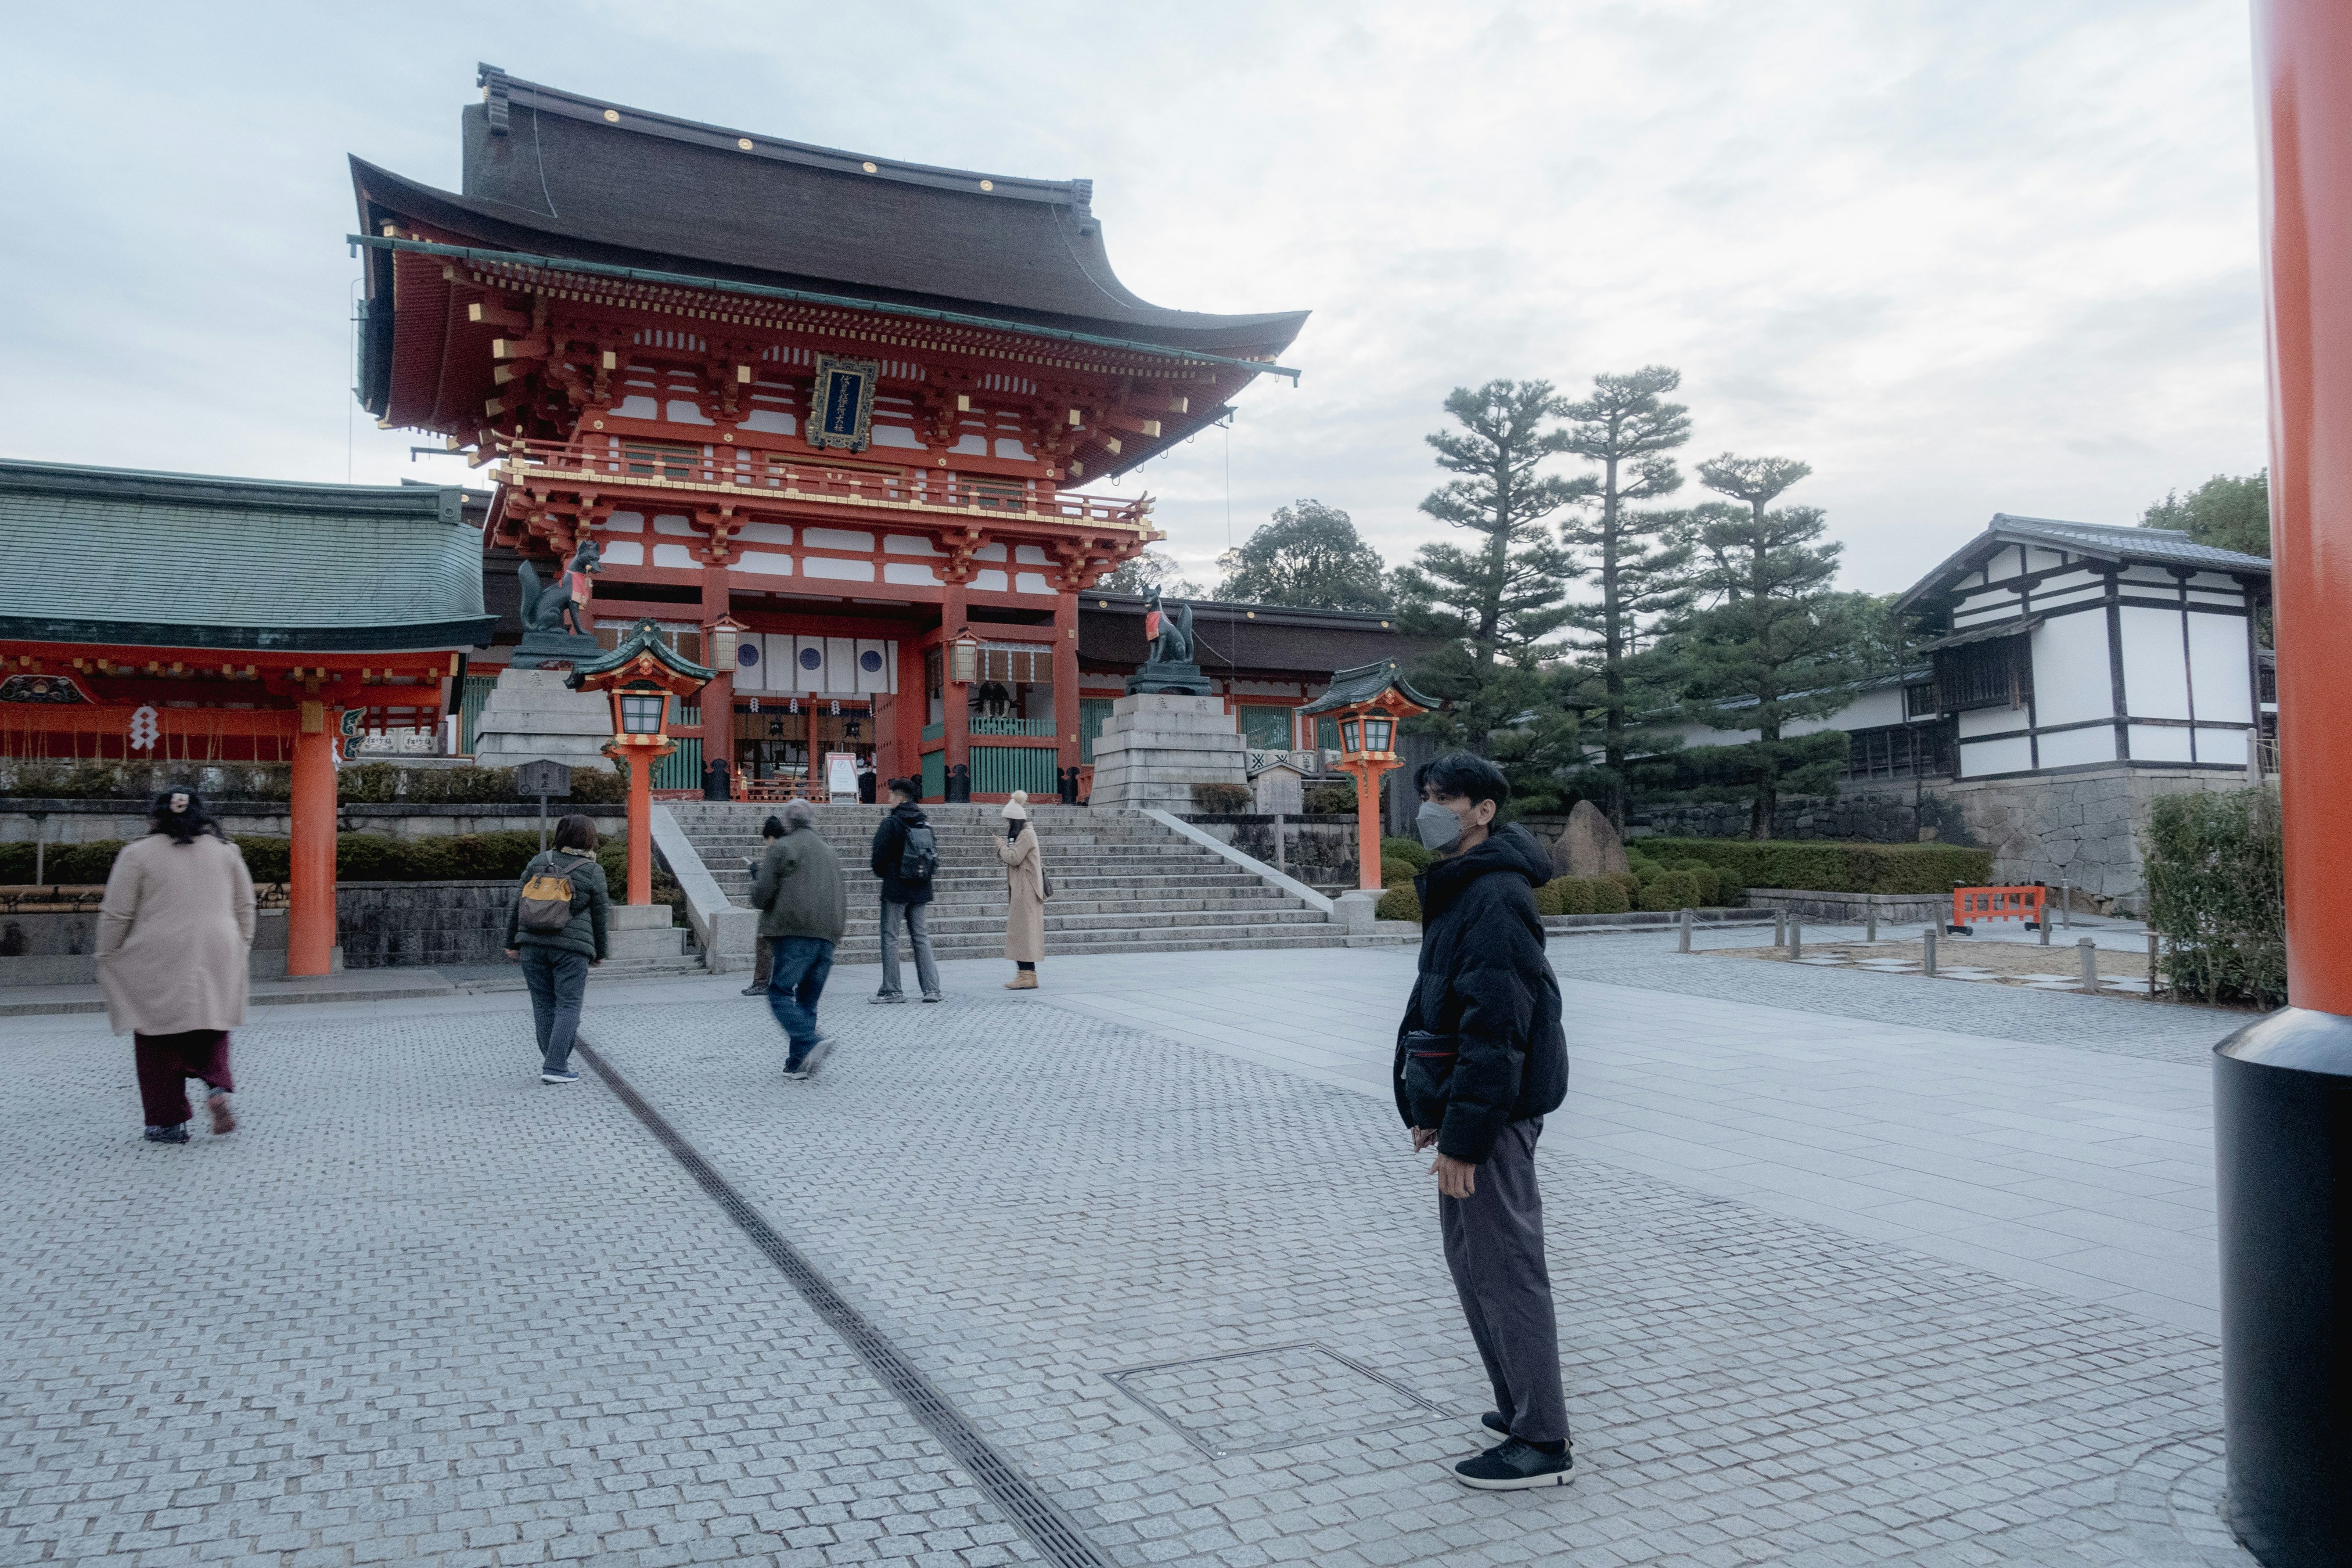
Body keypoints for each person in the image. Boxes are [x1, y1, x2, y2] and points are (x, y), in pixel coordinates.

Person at [1393, 752, 1573, 1490]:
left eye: (1445, 797)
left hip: (1495, 1117)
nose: (1430, 807)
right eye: (1427, 795)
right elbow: (1442, 1004)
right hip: (1472, 1110)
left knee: (1505, 1272)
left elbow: (1497, 1026)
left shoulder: (1495, 894)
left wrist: (1465, 1133)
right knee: (1474, 1265)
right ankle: (1518, 1404)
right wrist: (1427, 1106)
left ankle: (1543, 1439)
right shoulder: (1461, 886)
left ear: (1483, 811)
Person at [96, 789, 255, 1144]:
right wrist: (241, 945)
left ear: (155, 817)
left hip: (158, 948)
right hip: (219, 944)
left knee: (156, 1036)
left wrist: (106, 954)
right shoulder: (228, 852)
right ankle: (215, 1085)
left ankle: (168, 1123)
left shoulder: (136, 854)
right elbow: (245, 906)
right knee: (211, 1021)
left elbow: (117, 913)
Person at [504, 813, 610, 1085]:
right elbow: (600, 916)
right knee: (569, 1005)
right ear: (589, 838)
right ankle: (555, 1065)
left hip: (532, 945)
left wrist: (511, 942)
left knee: (543, 1005)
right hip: (572, 949)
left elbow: (516, 904)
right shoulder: (592, 870)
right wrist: (600, 952)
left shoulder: (539, 862)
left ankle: (553, 1061)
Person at [753, 797, 846, 1078]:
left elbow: (761, 896)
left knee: (779, 992)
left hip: (795, 931)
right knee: (807, 1001)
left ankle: (811, 1041)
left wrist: (757, 878)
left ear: (786, 822)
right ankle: (799, 1064)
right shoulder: (829, 852)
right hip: (828, 933)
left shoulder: (782, 847)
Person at [868, 778, 942, 1004]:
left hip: (896, 888)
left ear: (900, 798)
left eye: (891, 795)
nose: (889, 799)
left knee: (890, 937)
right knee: (921, 936)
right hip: (921, 887)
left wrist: (888, 874)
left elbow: (878, 859)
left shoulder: (891, 824)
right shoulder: (924, 823)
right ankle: (932, 990)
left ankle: (892, 990)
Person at [997, 789, 1046, 990]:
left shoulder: (1026, 835)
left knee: (1023, 933)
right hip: (1024, 889)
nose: (1008, 825)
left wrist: (1001, 846)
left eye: (1009, 822)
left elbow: (1014, 858)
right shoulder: (1026, 834)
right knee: (1021, 932)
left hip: (1026, 891)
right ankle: (1026, 975)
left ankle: (1027, 975)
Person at [740, 815, 786, 997]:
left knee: (764, 943)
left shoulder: (776, 852)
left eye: (766, 840)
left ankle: (761, 983)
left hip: (776, 909)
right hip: (796, 909)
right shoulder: (794, 849)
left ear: (771, 837)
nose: (766, 843)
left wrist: (756, 873)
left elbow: (768, 885)